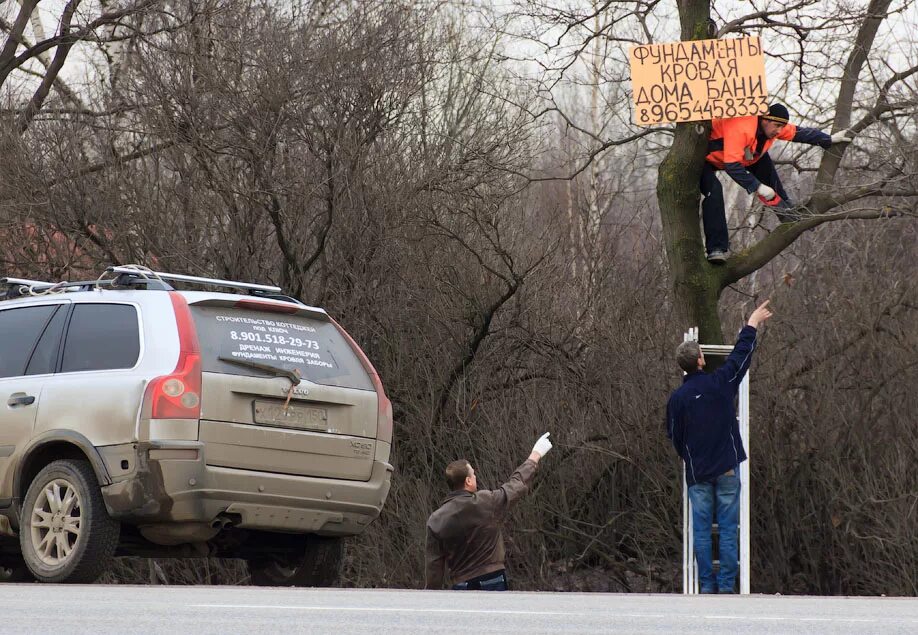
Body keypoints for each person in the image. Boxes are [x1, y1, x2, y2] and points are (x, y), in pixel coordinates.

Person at [666, 300, 773, 593]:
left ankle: (706, 586)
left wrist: (689, 457)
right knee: (728, 530)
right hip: (726, 467)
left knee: (701, 532)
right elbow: (740, 357)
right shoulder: (719, 384)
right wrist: (751, 324)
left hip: (698, 471)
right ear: (701, 360)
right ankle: (727, 587)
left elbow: (674, 435)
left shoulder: (678, 399)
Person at [701, 103, 854, 262]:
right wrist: (758, 187)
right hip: (705, 159)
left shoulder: (773, 126)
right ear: (764, 120)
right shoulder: (743, 126)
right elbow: (732, 166)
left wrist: (828, 139)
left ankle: (786, 213)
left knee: (765, 165)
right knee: (715, 191)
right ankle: (716, 249)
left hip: (739, 157)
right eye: (777, 126)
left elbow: (799, 133)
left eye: (782, 127)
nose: (779, 131)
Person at [424, 432, 553, 591]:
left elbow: (434, 567)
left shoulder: (435, 520)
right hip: (492, 579)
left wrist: (430, 598)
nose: (476, 476)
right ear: (468, 481)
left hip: (461, 585)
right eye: (473, 473)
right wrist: (535, 455)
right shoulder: (485, 501)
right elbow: (515, 485)